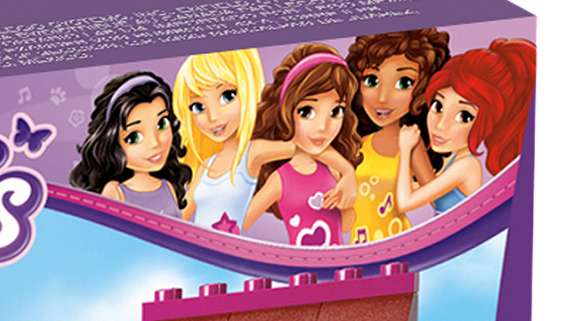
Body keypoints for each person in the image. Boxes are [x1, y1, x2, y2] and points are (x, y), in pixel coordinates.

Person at [176, 48, 350, 233]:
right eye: (198, 107)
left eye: (228, 96)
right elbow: (181, 214)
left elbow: (305, 145)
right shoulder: (206, 165)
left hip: (228, 246)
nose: (213, 117)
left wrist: (347, 172)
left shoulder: (253, 153)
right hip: (197, 246)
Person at [396, 38, 537, 219]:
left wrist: (405, 149)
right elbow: (420, 190)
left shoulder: (467, 166)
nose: (440, 125)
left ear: (485, 123)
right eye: (438, 107)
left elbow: (405, 202)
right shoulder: (452, 159)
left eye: (463, 117)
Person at [243, 45, 364, 247]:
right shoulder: (280, 179)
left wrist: (346, 205)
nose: (322, 127)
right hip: (300, 261)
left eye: (335, 112)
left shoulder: (332, 170)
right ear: (287, 112)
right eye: (307, 112)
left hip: (338, 259)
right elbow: (243, 222)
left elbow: (346, 226)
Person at [343, 29, 451, 242]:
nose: (383, 98)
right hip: (358, 248)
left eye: (403, 83)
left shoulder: (410, 142)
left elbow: (439, 202)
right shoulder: (359, 145)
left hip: (398, 246)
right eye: (372, 80)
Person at [68, 71, 193, 218]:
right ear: (113, 144)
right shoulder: (115, 192)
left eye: (162, 124)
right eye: (134, 137)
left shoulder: (168, 187)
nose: (155, 143)